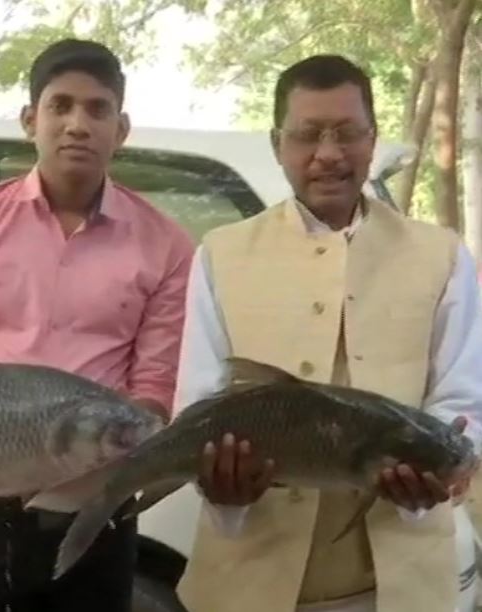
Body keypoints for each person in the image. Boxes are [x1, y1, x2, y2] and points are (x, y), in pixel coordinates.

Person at [0, 38, 195, 611]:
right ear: (31, 120)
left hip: (99, 511)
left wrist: (102, 450)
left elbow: (154, 392)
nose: (78, 124)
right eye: (61, 106)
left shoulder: (168, 245)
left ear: (120, 129)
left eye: (97, 110)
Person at [172, 54, 482, 612]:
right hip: (248, 583)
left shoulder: (442, 257)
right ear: (277, 143)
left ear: (374, 138)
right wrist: (221, 487)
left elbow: (463, 404)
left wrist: (429, 477)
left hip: (403, 588)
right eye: (309, 135)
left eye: (347, 133)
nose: (329, 154)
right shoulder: (221, 255)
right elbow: (198, 406)